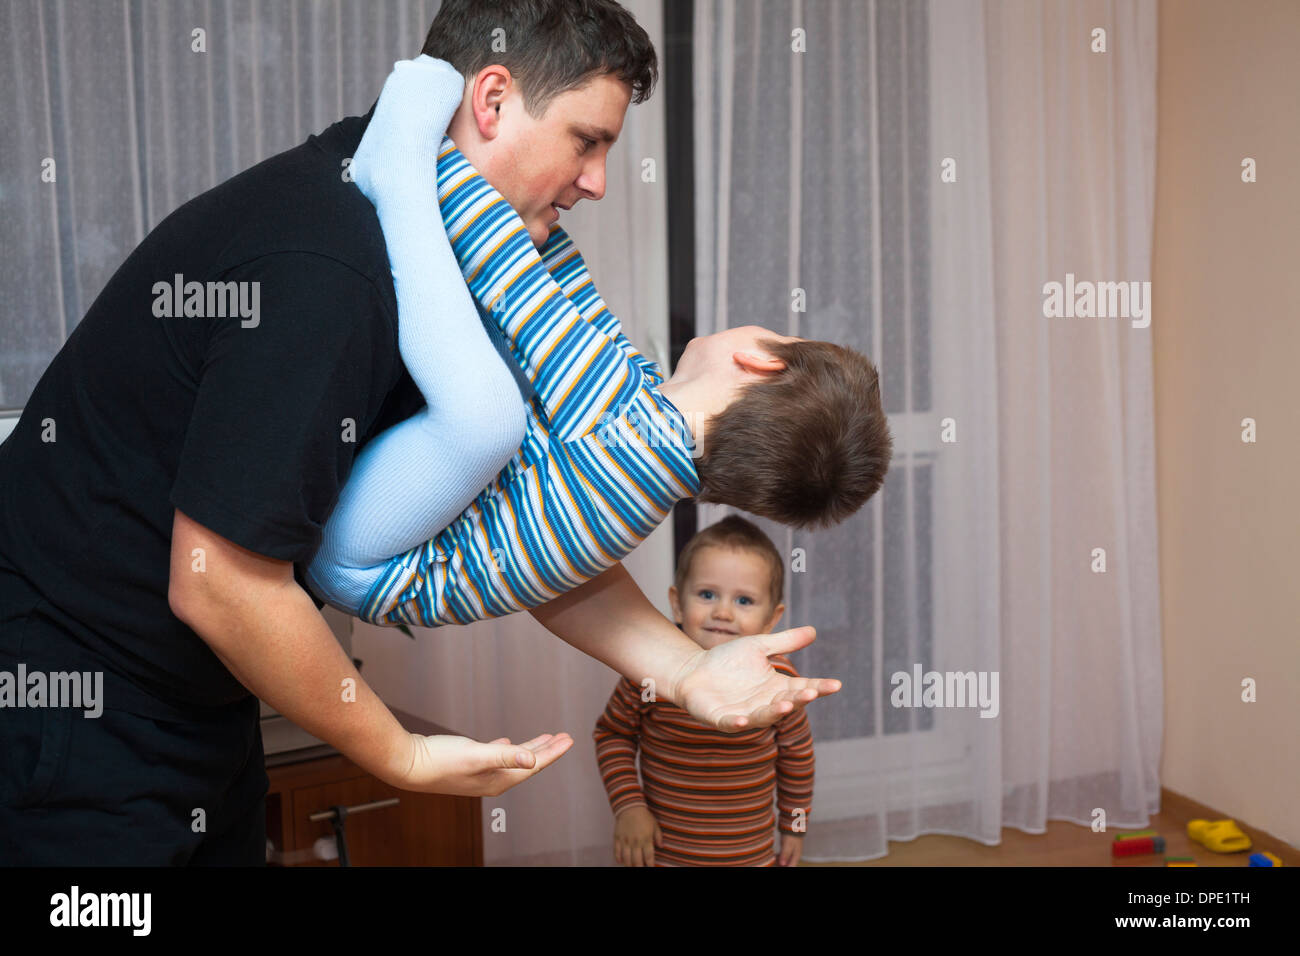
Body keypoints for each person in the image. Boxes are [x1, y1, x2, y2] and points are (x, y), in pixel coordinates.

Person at [0, 0, 841, 866]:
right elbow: (223, 585)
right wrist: (398, 753)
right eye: (588, 141)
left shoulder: (429, 251)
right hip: (76, 704)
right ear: (492, 100)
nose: (596, 181)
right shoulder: (326, 266)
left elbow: (530, 538)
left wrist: (689, 670)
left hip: (195, 695)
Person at [303, 55, 894, 633]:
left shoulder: (629, 436)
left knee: (485, 414)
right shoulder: (655, 432)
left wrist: (441, 151)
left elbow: (513, 281)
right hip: (394, 534)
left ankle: (398, 171)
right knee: (503, 369)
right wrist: (540, 216)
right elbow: (572, 301)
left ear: (762, 361)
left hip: (361, 560)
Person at [595, 516, 814, 867]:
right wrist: (629, 806)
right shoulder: (649, 672)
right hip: (663, 854)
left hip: (750, 857)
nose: (723, 612)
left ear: (772, 619)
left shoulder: (779, 680)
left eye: (744, 600)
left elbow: (797, 758)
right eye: (707, 594)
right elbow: (613, 734)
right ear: (678, 603)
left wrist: (794, 827)